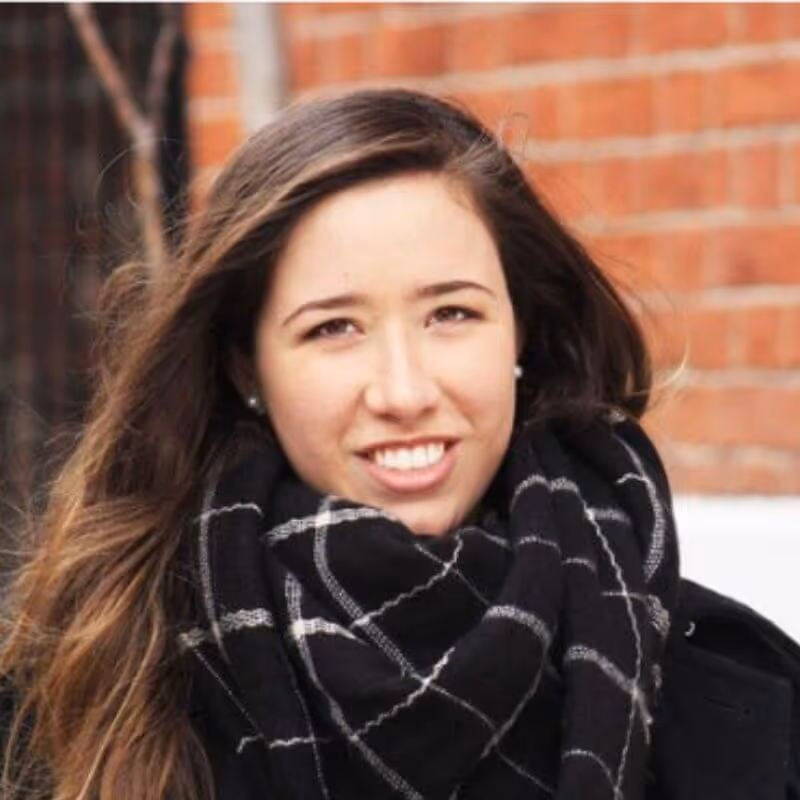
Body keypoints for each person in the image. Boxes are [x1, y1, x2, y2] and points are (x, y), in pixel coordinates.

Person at [1, 88, 797, 800]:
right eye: (333, 328)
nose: (405, 391)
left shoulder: (735, 688)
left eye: (451, 314)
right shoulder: (95, 689)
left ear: (522, 327)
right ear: (247, 365)